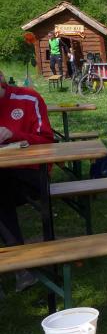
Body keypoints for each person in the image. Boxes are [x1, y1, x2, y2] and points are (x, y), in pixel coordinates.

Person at [0, 69, 55, 290]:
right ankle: (21, 269)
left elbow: (48, 141)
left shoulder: (28, 98)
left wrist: (14, 135)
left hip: (32, 174)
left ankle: (20, 266)